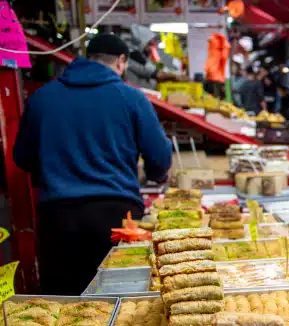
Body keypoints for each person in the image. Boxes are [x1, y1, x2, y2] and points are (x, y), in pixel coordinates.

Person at [13, 33, 172, 295]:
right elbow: (159, 158)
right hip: (117, 218)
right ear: (121, 62)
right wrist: (156, 175)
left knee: (63, 307)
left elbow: (22, 157)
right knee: (120, 300)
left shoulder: (42, 98)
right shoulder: (131, 98)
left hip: (58, 218)